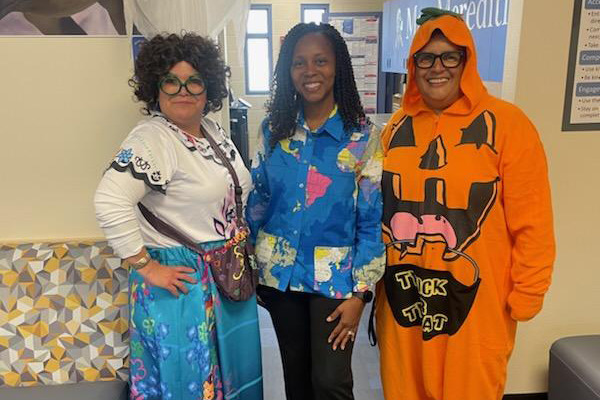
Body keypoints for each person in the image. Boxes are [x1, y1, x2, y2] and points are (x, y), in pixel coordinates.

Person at [376, 8, 555, 400]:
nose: (436, 67)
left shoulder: (507, 124)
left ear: (466, 61)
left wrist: (529, 291)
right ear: (413, 65)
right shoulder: (396, 128)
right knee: (404, 389)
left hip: (475, 305)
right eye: (425, 57)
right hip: (403, 300)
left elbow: (534, 220)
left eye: (449, 56)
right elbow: (376, 213)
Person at [94, 33, 262, 400]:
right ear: (156, 87)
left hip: (225, 275)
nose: (182, 90)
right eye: (171, 80)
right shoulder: (153, 138)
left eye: (194, 81)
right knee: (190, 384)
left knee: (231, 381)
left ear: (209, 88)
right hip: (184, 283)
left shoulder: (210, 131)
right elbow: (109, 199)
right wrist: (146, 265)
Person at [246, 22, 385, 400]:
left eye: (321, 60)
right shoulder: (273, 130)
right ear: (287, 73)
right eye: (299, 63)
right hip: (280, 274)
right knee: (297, 379)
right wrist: (247, 261)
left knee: (331, 382)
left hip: (337, 279)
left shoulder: (363, 135)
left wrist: (361, 294)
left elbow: (371, 220)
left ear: (337, 66)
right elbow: (257, 198)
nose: (310, 71)